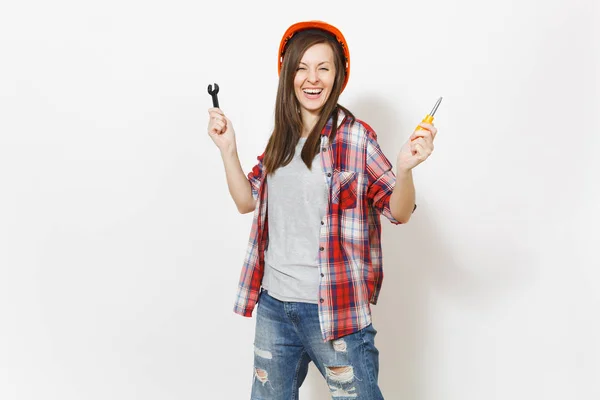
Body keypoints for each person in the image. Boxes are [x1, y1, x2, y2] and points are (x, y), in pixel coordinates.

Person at [207, 20, 437, 400]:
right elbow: (246, 200)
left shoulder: (356, 137)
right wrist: (228, 149)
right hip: (274, 308)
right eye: (302, 67)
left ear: (337, 75)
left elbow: (399, 211)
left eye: (323, 67)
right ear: (288, 75)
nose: (312, 79)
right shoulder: (281, 139)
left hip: (335, 309)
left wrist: (406, 169)